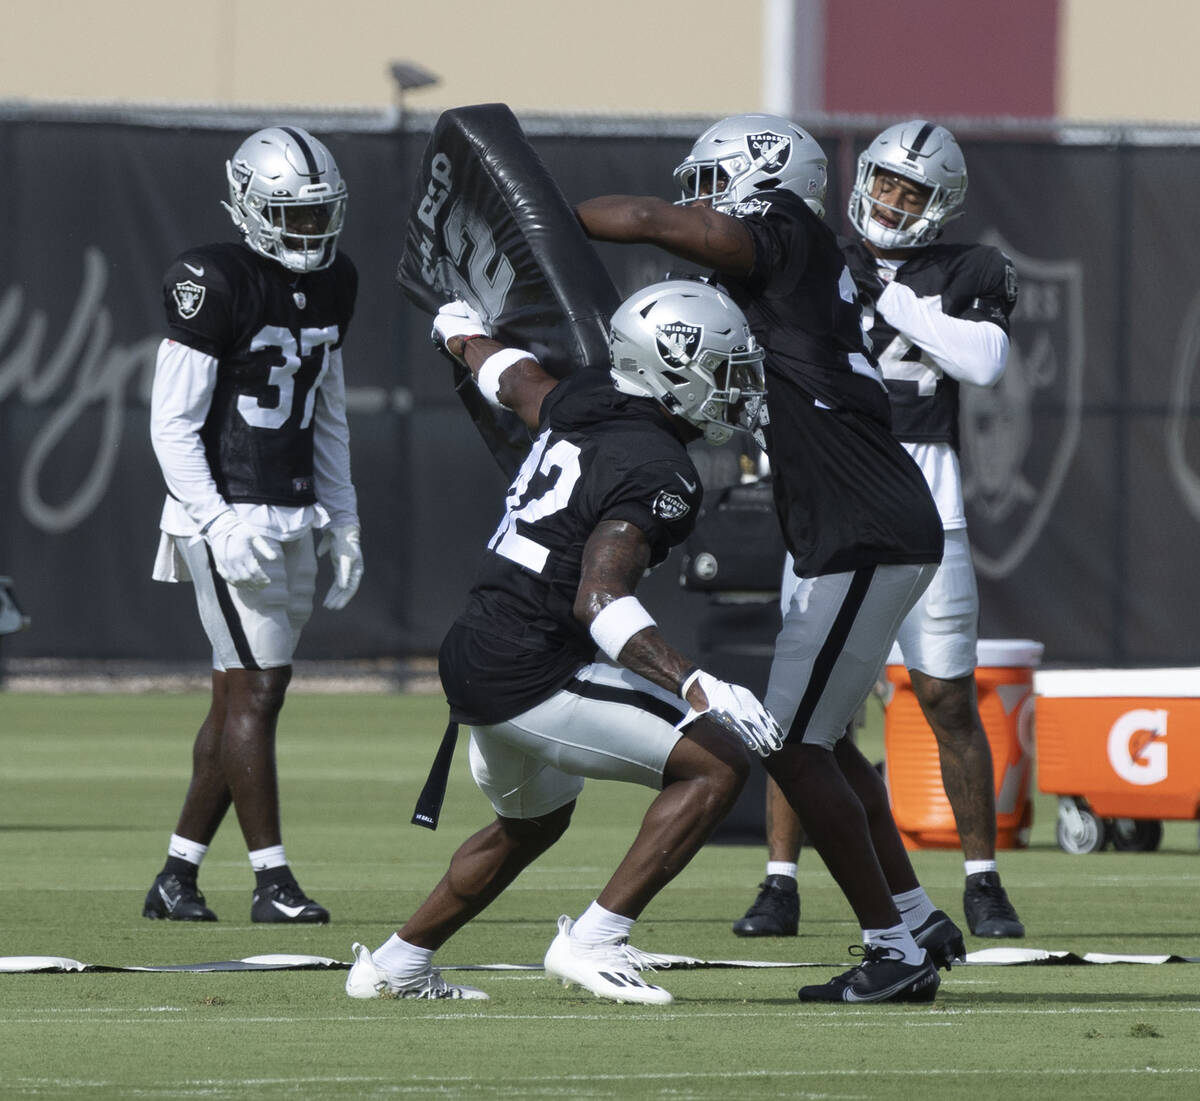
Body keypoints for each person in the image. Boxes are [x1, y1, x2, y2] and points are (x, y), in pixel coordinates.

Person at [577, 114, 961, 1002]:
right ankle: (912, 914)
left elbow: (646, 220)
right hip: (863, 520)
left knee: (788, 742)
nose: (702, 200)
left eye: (715, 180)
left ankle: (892, 949)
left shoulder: (786, 229)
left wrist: (545, 215)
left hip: (861, 523)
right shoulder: (800, 270)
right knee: (821, 738)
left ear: (762, 176)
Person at [346, 281, 782, 1003]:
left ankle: (395, 963)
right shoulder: (660, 468)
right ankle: (594, 939)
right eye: (729, 374)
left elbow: (515, 380)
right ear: (675, 369)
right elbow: (601, 600)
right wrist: (699, 685)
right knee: (718, 764)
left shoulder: (587, 398)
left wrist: (459, 334)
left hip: (476, 644)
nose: (741, 394)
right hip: (531, 663)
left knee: (533, 822)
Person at [743, 119, 1024, 939]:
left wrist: (893, 296)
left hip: (929, 489)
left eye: (911, 192)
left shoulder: (970, 268)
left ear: (939, 205)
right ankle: (779, 881)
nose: (891, 203)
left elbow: (984, 360)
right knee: (800, 705)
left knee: (944, 695)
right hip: (832, 487)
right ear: (860, 176)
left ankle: (982, 879)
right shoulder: (818, 250)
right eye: (885, 183)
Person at [142, 126, 363, 925]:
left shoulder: (338, 282)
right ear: (248, 207)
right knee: (260, 690)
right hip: (226, 512)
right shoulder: (213, 279)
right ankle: (272, 880)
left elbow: (328, 413)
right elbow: (172, 425)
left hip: (293, 505)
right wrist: (216, 519)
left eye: (316, 215)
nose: (307, 231)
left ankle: (177, 876)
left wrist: (346, 519)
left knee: (239, 693)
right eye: (289, 215)